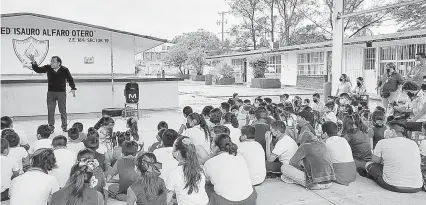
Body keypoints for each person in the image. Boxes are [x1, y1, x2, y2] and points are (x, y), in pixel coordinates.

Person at [362, 120, 423, 193]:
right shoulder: (413, 143)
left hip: (394, 185)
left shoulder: (382, 142)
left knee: (368, 164)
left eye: (387, 129)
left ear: (393, 131)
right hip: (417, 186)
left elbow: (375, 161)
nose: (385, 131)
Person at [28, 55, 77, 132]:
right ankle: (51, 127)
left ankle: (64, 126)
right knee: (51, 110)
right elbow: (38, 69)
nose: (51, 63)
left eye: (53, 62)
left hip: (61, 93)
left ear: (59, 63)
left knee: (62, 110)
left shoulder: (64, 69)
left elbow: (70, 79)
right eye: (51, 61)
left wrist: (73, 88)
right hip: (51, 93)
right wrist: (33, 62)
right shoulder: (48, 68)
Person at [204, 134, 257, 205]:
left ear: (216, 147)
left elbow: (206, 180)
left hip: (227, 202)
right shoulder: (240, 156)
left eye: (212, 142)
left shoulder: (209, 163)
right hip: (250, 200)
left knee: (206, 188)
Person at [167, 136, 209, 205]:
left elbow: (167, 201)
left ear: (177, 153)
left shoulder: (173, 174)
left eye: (173, 149)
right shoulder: (200, 169)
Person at [321, 122, 356, 186]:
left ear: (325, 133)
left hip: (339, 177)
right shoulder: (344, 140)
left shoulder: (326, 142)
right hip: (352, 174)